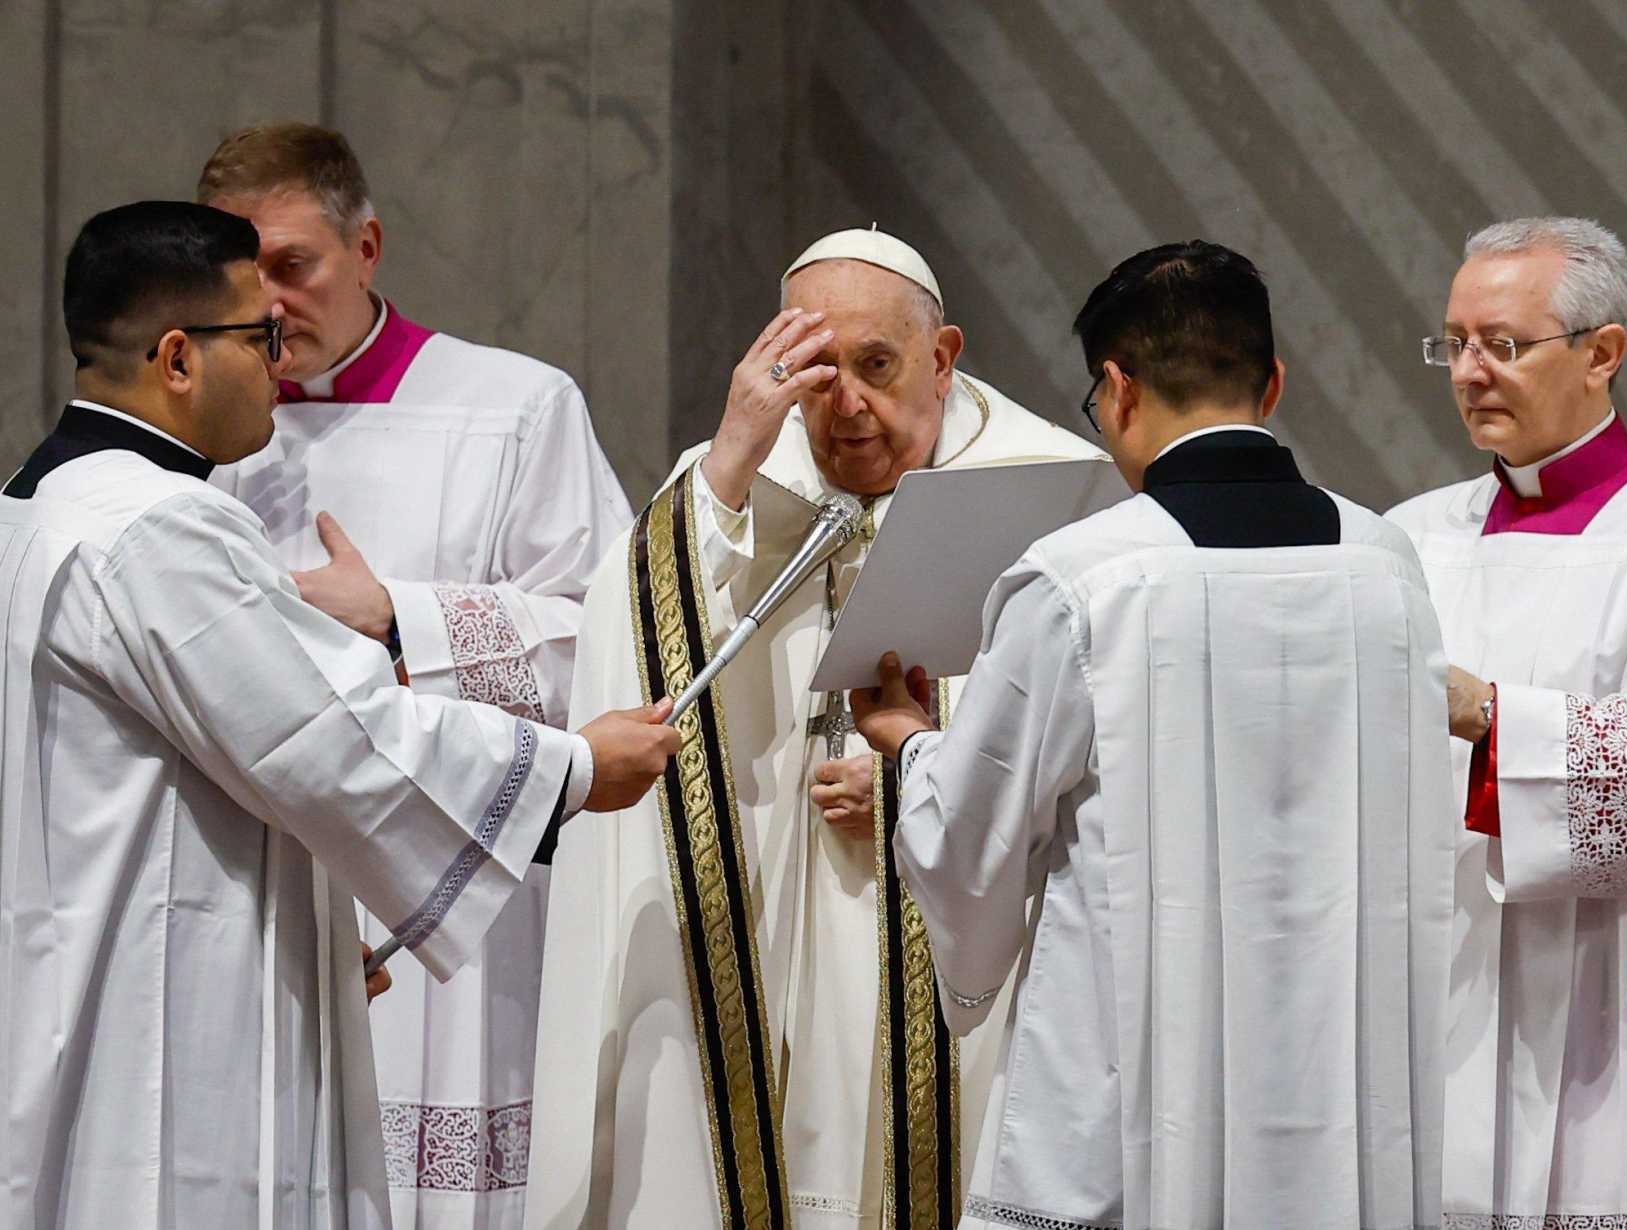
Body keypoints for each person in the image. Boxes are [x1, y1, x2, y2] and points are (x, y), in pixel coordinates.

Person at [0, 200, 679, 1229]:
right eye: (257, 336)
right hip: (159, 1022)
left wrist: (305, 938)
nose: (279, 361)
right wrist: (575, 771)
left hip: (82, 974)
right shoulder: (156, 531)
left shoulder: (34, 510)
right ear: (177, 359)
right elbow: (333, 739)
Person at [846, 240, 1454, 1230]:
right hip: (1339, 1070)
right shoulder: (1385, 561)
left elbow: (975, 829)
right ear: (1272, 382)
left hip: (1135, 1077)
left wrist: (910, 742)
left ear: (1117, 388)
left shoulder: (1084, 578)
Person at [527, 228, 1106, 1229]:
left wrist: (922, 784)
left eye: (877, 367)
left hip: (961, 949)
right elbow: (634, 639)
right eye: (813, 371)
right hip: (771, 936)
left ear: (944, 352)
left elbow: (1087, 738)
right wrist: (731, 460)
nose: (845, 407)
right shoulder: (737, 483)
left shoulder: (1049, 493)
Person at [196, 122, 632, 1226]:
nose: (270, 305)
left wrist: (402, 617)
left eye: (294, 266)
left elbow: (611, 646)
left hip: (455, 913)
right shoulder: (195, 438)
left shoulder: (515, 406)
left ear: (369, 245)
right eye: (244, 275)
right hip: (258, 897)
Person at [1388, 216, 1627, 1225]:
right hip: (1453, 992)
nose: (1470, 371)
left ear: (1601, 353)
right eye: (1454, 343)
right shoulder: (1405, 540)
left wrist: (1485, 715)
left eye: (1503, 345)